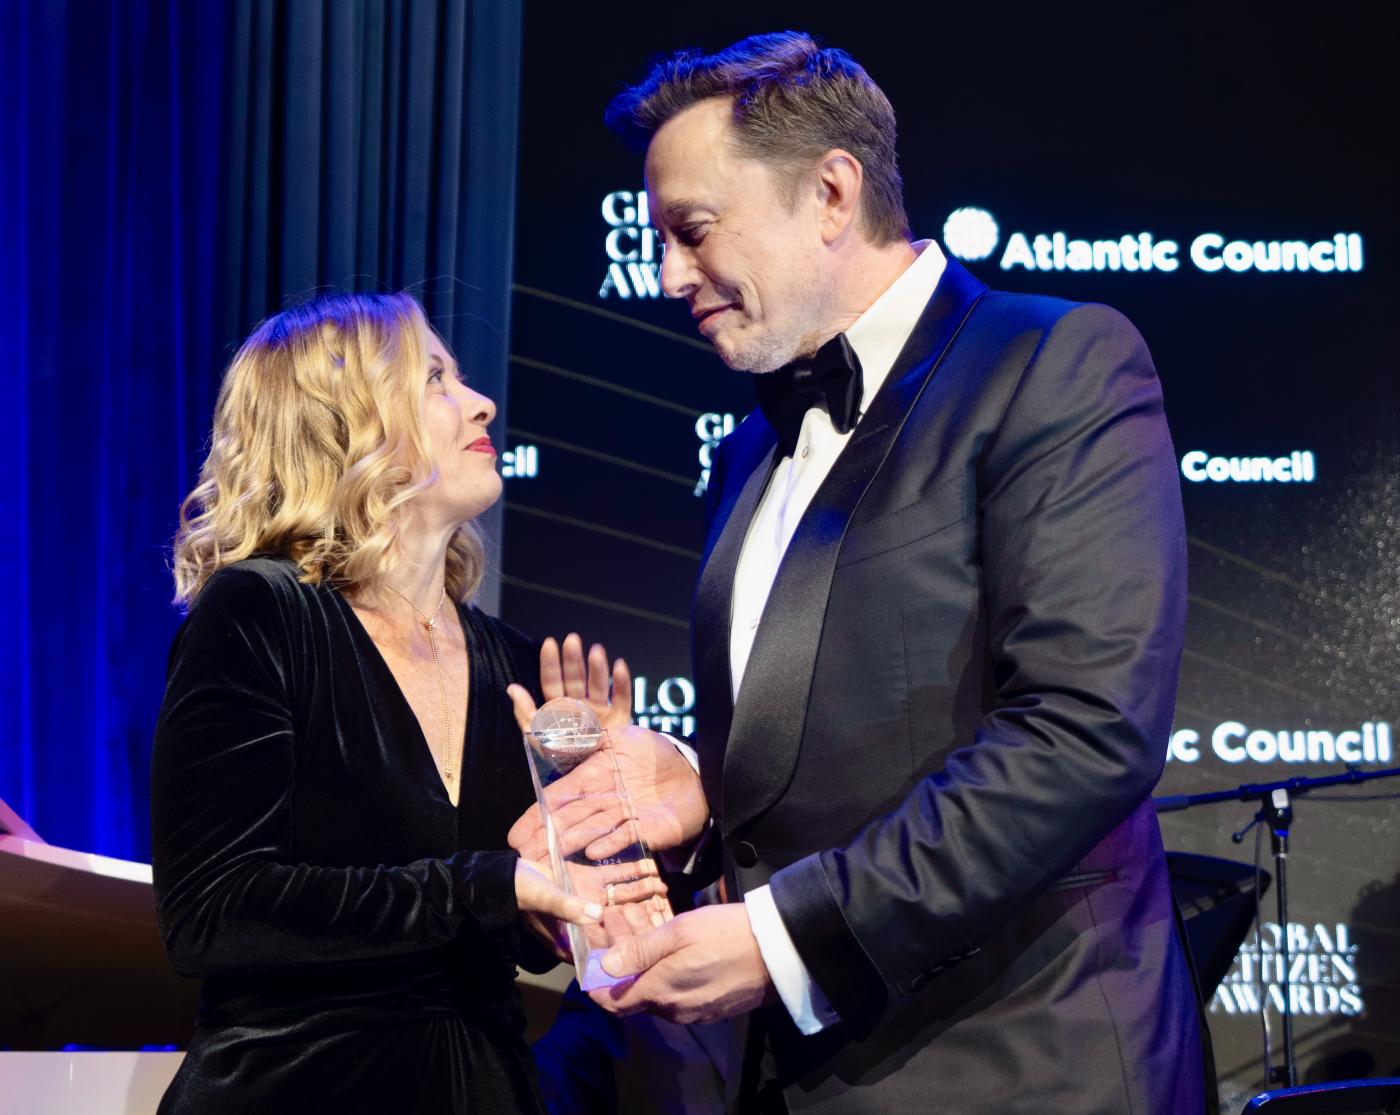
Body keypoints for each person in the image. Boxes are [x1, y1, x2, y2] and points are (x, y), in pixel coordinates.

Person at [511, 31, 1209, 1114]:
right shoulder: (752, 445)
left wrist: (786, 940)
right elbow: (834, 748)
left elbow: (1083, 733)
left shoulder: (1053, 362)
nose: (669, 276)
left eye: (692, 231)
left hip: (1023, 1072)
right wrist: (699, 786)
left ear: (831, 194)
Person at [150, 292, 642, 1114]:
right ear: (343, 424)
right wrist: (486, 886)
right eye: (436, 379)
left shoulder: (514, 664)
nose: (481, 403)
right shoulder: (260, 614)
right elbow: (212, 912)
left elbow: (529, 928)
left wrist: (594, 843)